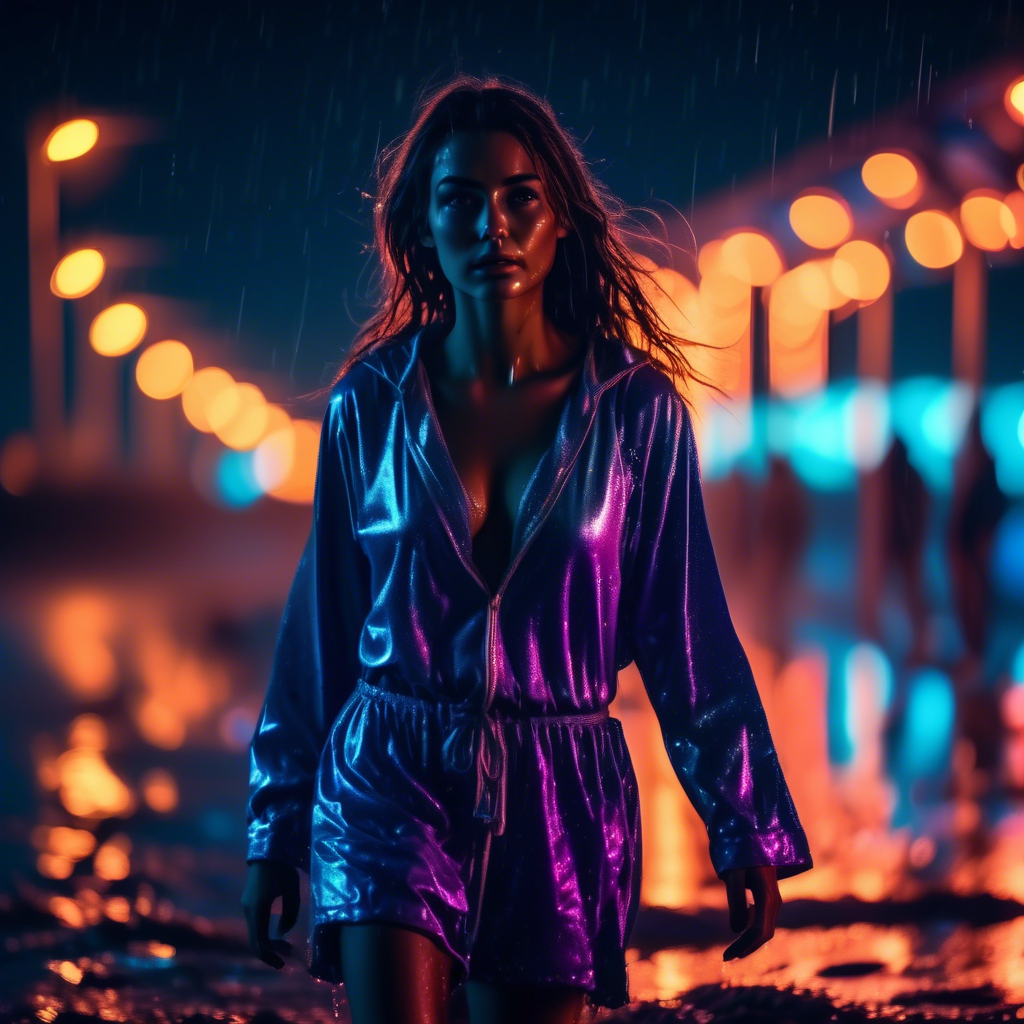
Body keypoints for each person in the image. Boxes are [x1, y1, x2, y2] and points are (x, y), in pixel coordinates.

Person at [240, 74, 813, 1024]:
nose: (492, 227)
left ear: (562, 221)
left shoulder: (637, 412)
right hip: (389, 773)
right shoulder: (368, 405)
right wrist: (277, 826)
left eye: (520, 199)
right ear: (424, 225)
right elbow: (321, 631)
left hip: (561, 790)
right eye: (460, 200)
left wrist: (742, 818)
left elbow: (686, 634)